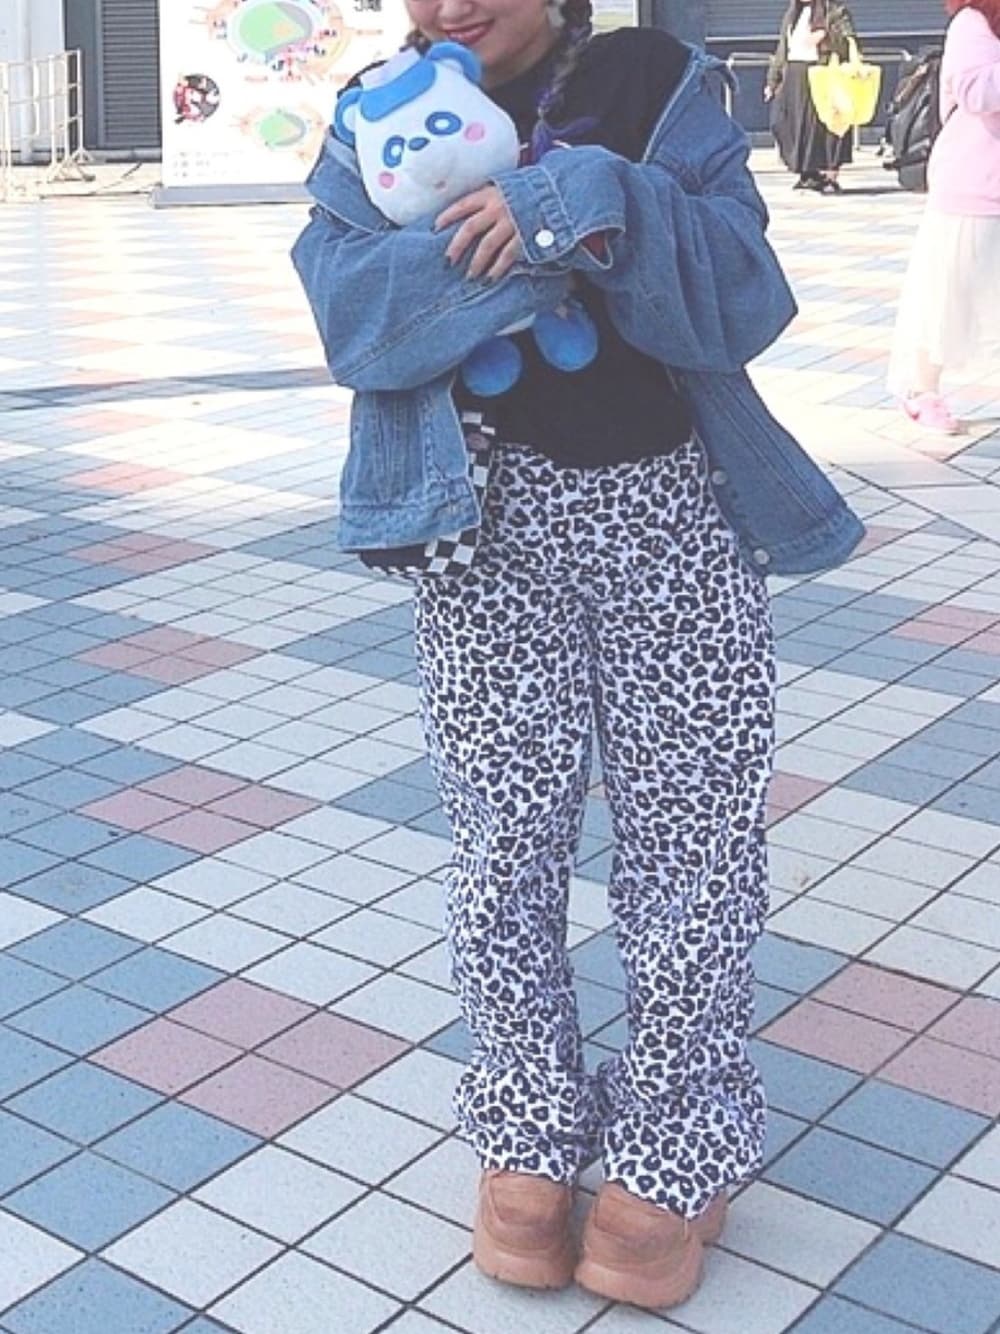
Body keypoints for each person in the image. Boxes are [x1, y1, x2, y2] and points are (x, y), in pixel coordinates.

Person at [292, 0, 863, 1311]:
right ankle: (527, 1134)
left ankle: (675, 1138)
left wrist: (597, 195)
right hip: (482, 527)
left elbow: (741, 295)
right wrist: (555, 248)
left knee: (694, 841)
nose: (448, 5)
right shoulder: (376, 110)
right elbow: (356, 319)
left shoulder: (651, 77)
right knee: (503, 846)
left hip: (671, 512)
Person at [888, 0, 1000, 433]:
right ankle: (922, 391)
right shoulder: (974, 22)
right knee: (947, 297)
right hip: (975, 186)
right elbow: (975, 92)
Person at [766, 0, 858, 192]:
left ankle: (828, 174)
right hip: (795, 74)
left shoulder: (834, 12)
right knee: (786, 123)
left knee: (824, 125)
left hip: (822, 73)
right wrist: (773, 80)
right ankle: (806, 172)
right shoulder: (793, 15)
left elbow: (848, 44)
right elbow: (782, 50)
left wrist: (826, 36)